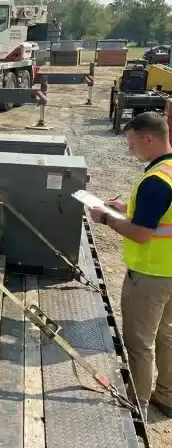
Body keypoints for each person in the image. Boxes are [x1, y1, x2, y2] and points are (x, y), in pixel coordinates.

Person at [89, 112, 172, 419]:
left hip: (150, 276)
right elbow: (160, 214)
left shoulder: (155, 182)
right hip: (170, 272)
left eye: (132, 142)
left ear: (148, 138)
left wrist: (106, 218)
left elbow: (140, 233)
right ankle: (166, 397)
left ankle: (134, 405)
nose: (129, 149)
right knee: (166, 336)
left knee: (139, 345)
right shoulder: (169, 171)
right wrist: (124, 207)